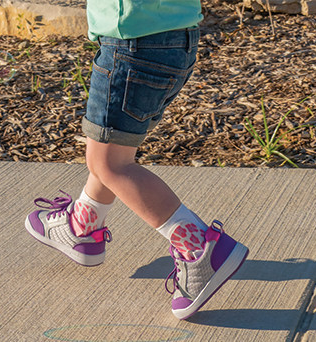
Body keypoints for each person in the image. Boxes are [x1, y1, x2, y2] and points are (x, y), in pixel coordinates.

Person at [25, 0, 249, 320]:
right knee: (110, 147)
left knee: (110, 163)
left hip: (132, 43)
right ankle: (82, 225)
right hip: (174, 39)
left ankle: (199, 248)